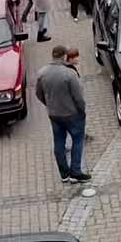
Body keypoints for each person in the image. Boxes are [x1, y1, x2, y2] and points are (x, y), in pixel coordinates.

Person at [35, 45, 91, 183]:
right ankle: (75, 172)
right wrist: (82, 111)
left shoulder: (42, 73)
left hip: (54, 115)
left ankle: (64, 174)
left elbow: (38, 94)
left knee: (59, 143)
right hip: (72, 115)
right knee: (78, 140)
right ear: (64, 56)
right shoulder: (69, 74)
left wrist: (49, 105)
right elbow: (79, 98)